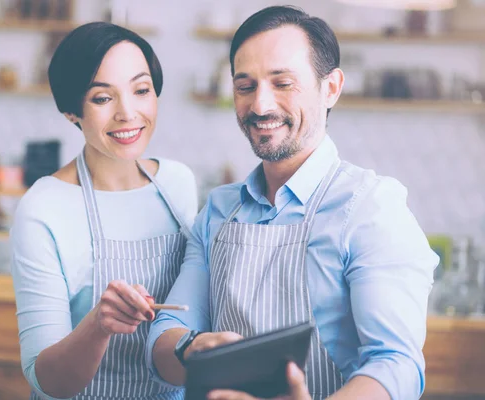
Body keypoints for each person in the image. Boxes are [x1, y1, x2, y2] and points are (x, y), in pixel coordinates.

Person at [146, 6, 438, 400]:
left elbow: (395, 363)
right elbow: (166, 332)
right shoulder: (218, 210)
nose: (261, 106)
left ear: (331, 87)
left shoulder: (371, 208)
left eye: (282, 83)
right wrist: (191, 348)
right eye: (245, 86)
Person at [10, 22, 198, 400]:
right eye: (101, 98)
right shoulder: (43, 208)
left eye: (141, 90)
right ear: (71, 112)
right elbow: (47, 380)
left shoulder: (179, 183)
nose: (128, 113)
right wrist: (99, 323)